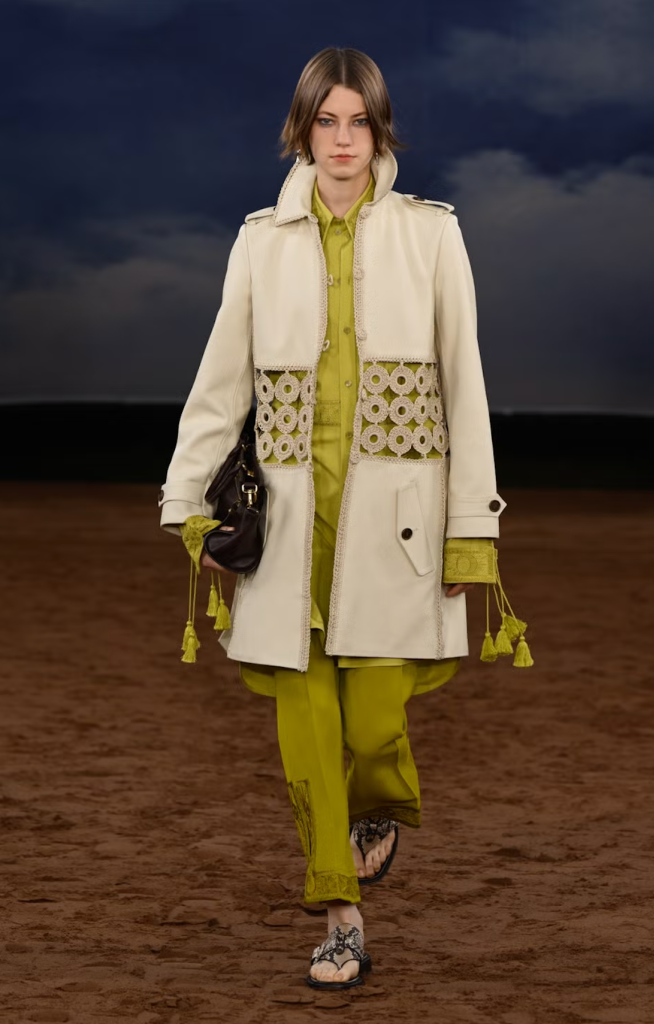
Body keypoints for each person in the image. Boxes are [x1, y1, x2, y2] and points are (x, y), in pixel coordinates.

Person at [158, 47, 532, 990]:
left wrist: (471, 529)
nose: (341, 140)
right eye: (325, 121)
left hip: (393, 532)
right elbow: (221, 384)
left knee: (370, 726)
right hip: (286, 534)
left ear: (378, 129)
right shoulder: (259, 242)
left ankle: (378, 807)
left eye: (357, 121)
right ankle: (339, 916)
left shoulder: (430, 235)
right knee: (305, 738)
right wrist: (189, 503)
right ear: (302, 131)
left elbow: (465, 386)